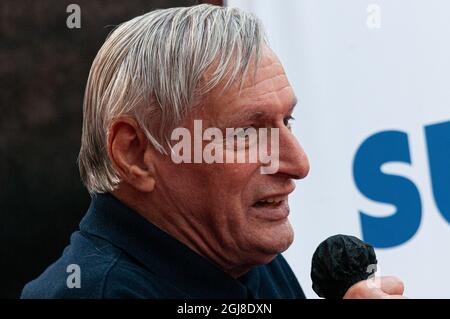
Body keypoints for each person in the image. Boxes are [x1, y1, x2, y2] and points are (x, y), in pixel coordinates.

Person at [21, 4, 404, 299]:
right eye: (246, 132)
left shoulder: (238, 256)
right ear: (135, 154)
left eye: (287, 122)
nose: (298, 164)